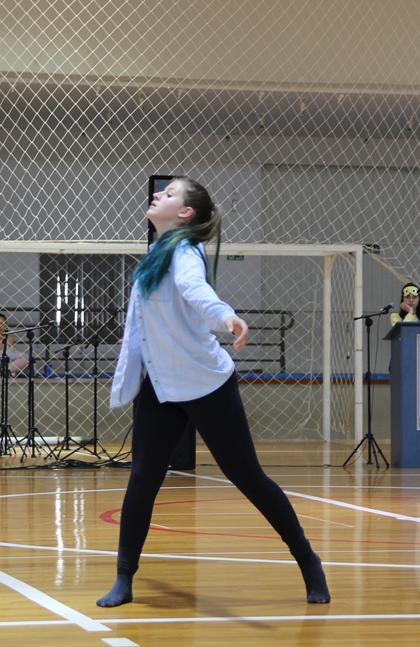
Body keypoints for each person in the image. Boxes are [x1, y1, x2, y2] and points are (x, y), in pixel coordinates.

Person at [96, 177, 330, 608]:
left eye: (169, 194)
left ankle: (307, 559)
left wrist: (227, 318)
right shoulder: (155, 252)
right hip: (161, 385)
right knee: (143, 478)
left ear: (186, 213)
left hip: (206, 383)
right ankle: (123, 578)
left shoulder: (186, 252)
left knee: (247, 476)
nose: (157, 195)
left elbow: (196, 290)